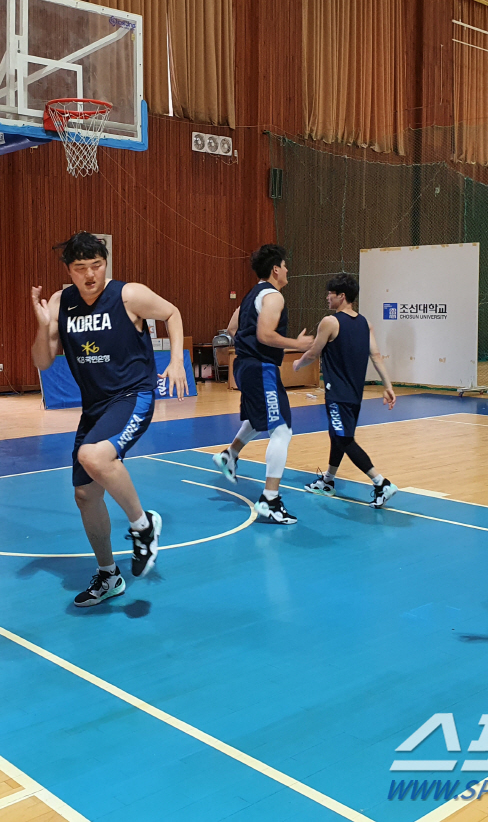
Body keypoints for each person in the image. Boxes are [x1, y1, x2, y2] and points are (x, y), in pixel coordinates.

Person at [31, 232, 188, 607]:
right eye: (80, 268)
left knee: (94, 456)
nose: (89, 275)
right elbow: (42, 360)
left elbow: (172, 313)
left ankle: (143, 524)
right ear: (68, 270)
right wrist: (41, 324)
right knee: (85, 494)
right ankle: (108, 574)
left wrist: (178, 360)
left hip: (132, 396)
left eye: (96, 266)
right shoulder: (61, 302)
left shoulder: (128, 295)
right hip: (96, 406)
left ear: (106, 264)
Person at [213, 245, 314, 524]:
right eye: (285, 265)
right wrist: (298, 344)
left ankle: (230, 455)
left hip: (245, 367)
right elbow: (265, 334)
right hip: (260, 367)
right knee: (281, 430)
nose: (288, 270)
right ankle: (270, 500)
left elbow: (233, 329)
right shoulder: (274, 297)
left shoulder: (249, 297)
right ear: (275, 269)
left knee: (260, 421)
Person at [292, 272, 399, 508]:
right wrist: (388, 386)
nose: (327, 298)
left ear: (341, 296)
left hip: (338, 395)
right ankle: (328, 481)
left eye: (330, 294)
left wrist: (298, 364)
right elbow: (377, 356)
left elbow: (313, 352)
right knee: (336, 436)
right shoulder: (365, 323)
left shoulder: (330, 322)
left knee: (344, 439)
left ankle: (381, 483)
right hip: (354, 395)